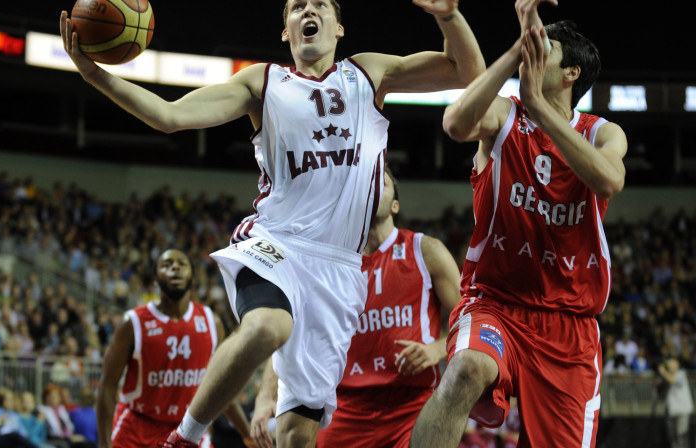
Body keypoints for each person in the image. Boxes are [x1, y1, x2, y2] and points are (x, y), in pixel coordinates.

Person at [60, 0, 484, 447]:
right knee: (268, 326)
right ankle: (184, 438)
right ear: (286, 31)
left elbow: (465, 71)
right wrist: (94, 75)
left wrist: (448, 16)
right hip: (275, 242)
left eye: (319, 4)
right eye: (297, 6)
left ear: (339, 27)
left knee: (299, 435)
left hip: (338, 269)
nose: (308, 10)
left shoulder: (367, 73)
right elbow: (169, 116)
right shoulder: (263, 82)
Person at [409, 0, 628, 446]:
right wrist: (514, 51)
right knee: (467, 367)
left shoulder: (602, 132)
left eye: (542, 49)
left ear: (571, 74)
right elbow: (454, 122)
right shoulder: (505, 115)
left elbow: (608, 180)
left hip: (569, 324)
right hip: (496, 302)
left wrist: (540, 107)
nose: (532, 53)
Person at [249, 167, 463, 448]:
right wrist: (267, 396)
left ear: (395, 205)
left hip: (412, 404)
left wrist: (436, 350)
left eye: (382, 184)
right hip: (343, 406)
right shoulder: (328, 259)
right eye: (366, 184)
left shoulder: (426, 250)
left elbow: (471, 320)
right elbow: (290, 331)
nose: (373, 188)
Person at [94, 249, 254, 447]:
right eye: (167, 265)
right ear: (155, 278)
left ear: (191, 276)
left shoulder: (212, 322)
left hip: (189, 428)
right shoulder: (132, 322)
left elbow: (221, 385)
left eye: (181, 264)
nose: (175, 267)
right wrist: (103, 444)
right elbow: (107, 385)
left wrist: (247, 433)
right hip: (137, 427)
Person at [658, 357, 694, 448]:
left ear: (677, 364)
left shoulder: (681, 373)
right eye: (669, 364)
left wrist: (663, 372)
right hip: (672, 411)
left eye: (672, 363)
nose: (670, 365)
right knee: (672, 437)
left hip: (682, 410)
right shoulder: (668, 376)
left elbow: (675, 381)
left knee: (681, 435)